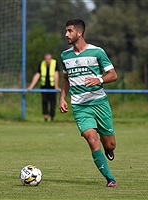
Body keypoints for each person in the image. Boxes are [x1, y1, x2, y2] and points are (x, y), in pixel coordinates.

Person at [59, 19, 118, 187]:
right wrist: (62, 97)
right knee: (92, 139)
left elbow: (113, 75)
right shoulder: (65, 55)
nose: (66, 34)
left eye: (69, 31)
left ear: (79, 33)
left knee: (111, 143)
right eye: (66, 31)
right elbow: (66, 79)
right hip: (79, 106)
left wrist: (98, 79)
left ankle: (108, 148)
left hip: (99, 103)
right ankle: (110, 178)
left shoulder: (97, 52)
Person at [27, 53, 60, 122]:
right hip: (44, 86)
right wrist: (31, 86)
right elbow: (37, 75)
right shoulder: (42, 64)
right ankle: (45, 117)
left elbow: (56, 75)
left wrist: (56, 86)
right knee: (44, 101)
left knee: (52, 102)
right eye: (46, 59)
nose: (48, 61)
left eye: (49, 59)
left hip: (52, 87)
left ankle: (52, 118)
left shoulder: (55, 63)